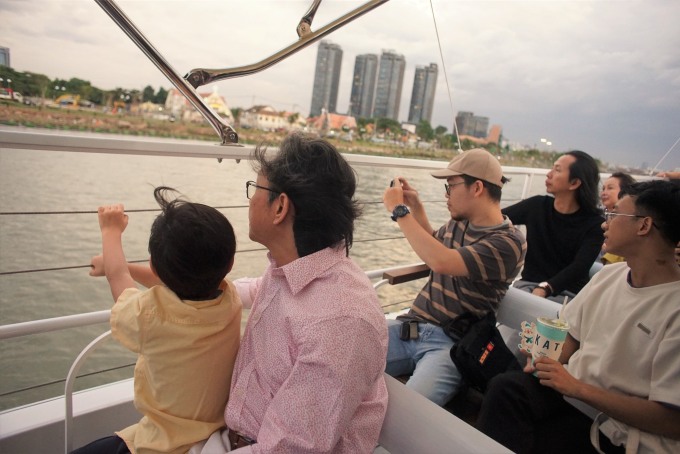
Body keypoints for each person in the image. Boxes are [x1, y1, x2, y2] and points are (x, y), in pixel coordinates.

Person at [196, 133, 388, 454]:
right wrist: (192, 285)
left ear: (280, 207)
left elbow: (287, 449)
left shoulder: (339, 323)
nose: (251, 199)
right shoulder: (290, 266)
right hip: (230, 437)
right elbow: (256, 289)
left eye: (255, 189)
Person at [477, 180, 680, 453]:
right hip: (575, 400)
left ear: (644, 226)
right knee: (505, 386)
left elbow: (670, 420)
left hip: (622, 431)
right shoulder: (609, 276)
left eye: (614, 214)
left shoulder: (674, 307)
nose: (604, 223)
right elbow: (570, 336)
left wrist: (576, 387)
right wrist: (541, 355)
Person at [74, 187, 242, 454]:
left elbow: (119, 281)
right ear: (230, 262)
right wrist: (121, 266)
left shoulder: (148, 315)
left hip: (161, 443)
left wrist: (111, 231)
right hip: (213, 430)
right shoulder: (229, 299)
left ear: (153, 265)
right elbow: (172, 279)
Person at [381, 148, 526, 406]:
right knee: (342, 361)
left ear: (477, 187)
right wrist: (416, 207)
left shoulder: (507, 243)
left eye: (450, 187)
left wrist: (399, 211)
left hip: (450, 345)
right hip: (411, 327)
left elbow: (442, 261)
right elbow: (435, 245)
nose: (447, 195)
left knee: (410, 411)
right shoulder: (461, 222)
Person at [503, 150, 604, 302]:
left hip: (568, 295)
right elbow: (495, 220)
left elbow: (580, 266)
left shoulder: (595, 224)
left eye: (557, 170)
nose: (549, 174)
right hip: (527, 287)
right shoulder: (536, 206)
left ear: (574, 183)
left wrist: (546, 287)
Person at [600, 172, 636, 265]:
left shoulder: (630, 221)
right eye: (603, 189)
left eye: (610, 188)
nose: (604, 192)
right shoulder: (600, 216)